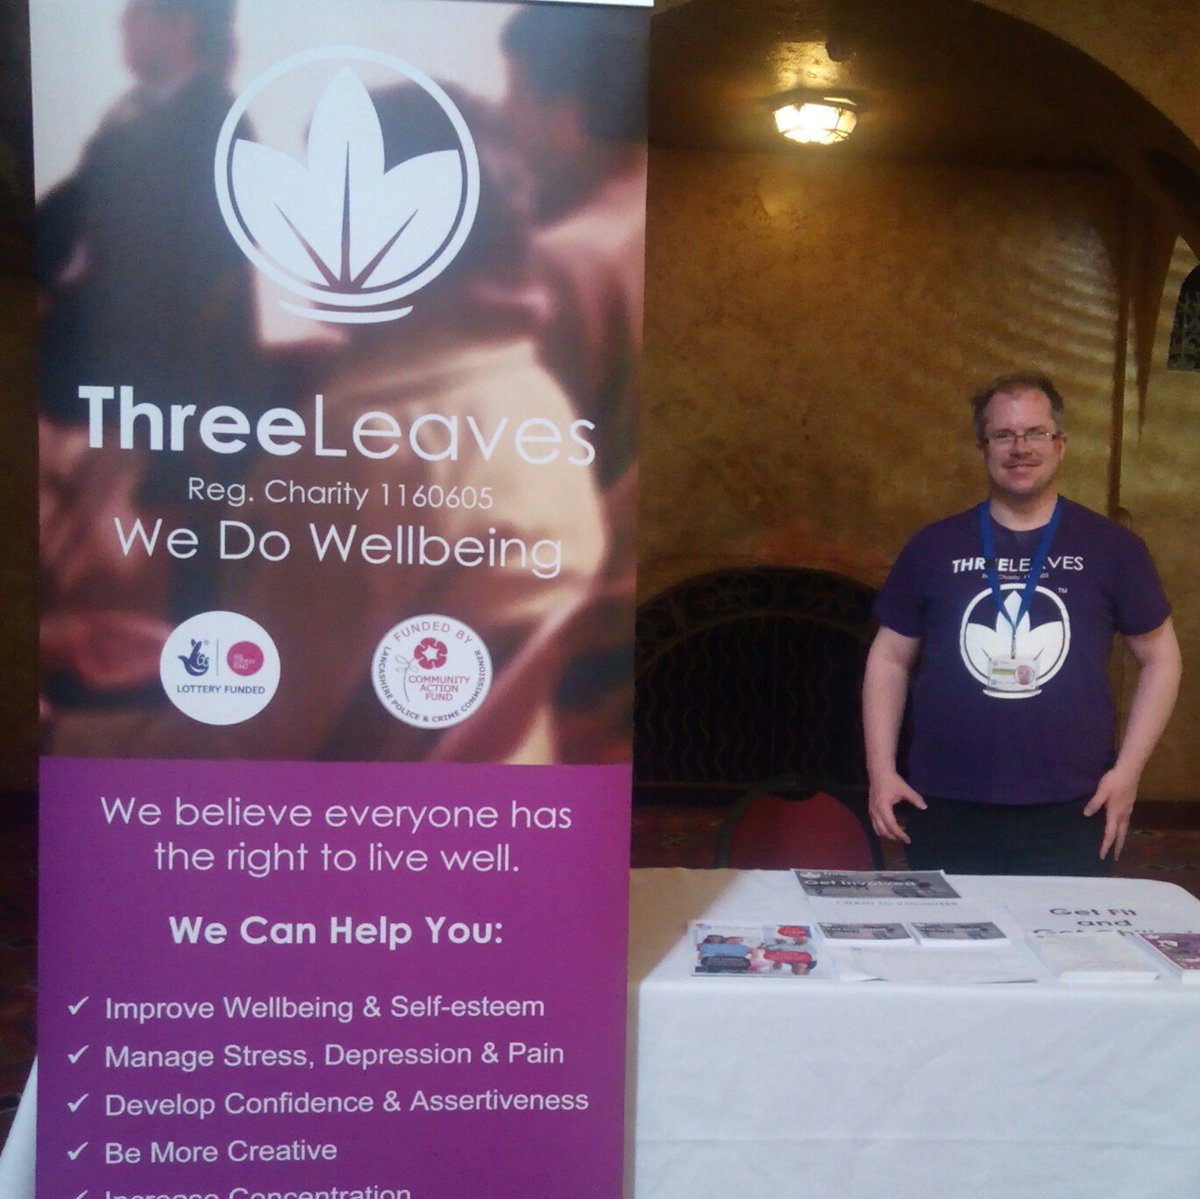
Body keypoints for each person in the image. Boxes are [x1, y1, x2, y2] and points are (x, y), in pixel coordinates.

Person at [862, 373, 1181, 875]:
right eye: (1003, 435)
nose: (1020, 448)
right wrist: (881, 770)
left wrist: (1128, 772)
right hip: (944, 800)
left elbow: (1161, 658)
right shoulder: (933, 547)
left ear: (1061, 444)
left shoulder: (1113, 549)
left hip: (1076, 803)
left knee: (1065, 928)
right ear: (982, 447)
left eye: (1035, 433)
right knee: (952, 927)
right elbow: (888, 658)